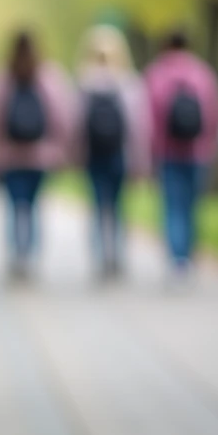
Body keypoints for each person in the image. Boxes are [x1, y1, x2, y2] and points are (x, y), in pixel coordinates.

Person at [0, 29, 76, 279]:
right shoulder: (48, 75)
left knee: (14, 206)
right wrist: (62, 149)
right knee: (33, 206)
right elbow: (61, 115)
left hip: (9, 156)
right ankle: (30, 254)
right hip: (40, 155)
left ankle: (17, 255)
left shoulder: (1, 77)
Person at [143, 28, 218, 276]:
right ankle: (188, 256)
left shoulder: (156, 74)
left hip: (167, 152)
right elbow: (215, 113)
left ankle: (177, 259)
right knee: (191, 207)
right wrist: (209, 143)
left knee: (172, 207)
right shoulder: (202, 73)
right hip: (197, 152)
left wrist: (152, 150)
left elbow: (148, 119)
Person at [74, 25, 152, 279]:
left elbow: (74, 123)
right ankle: (116, 256)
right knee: (118, 207)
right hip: (119, 154)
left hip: (94, 156)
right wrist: (141, 160)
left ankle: (100, 258)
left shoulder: (84, 83)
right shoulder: (128, 82)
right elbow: (139, 126)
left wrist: (74, 155)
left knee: (98, 206)